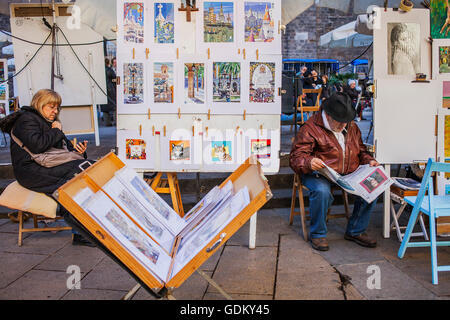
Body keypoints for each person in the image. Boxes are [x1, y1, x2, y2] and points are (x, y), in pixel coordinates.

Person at [0, 89, 95, 246]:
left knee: (88, 169)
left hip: (46, 165)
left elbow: (63, 151)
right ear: (40, 104)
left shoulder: (47, 121)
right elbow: (38, 145)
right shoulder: (26, 120)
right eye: (51, 107)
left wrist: (78, 152)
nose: (55, 111)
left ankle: (83, 231)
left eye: (57, 108)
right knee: (79, 177)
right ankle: (81, 232)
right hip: (31, 170)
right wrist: (56, 130)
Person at [289, 92, 380, 252]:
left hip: (348, 172)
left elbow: (361, 151)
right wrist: (309, 162)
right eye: (340, 122)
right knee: (322, 191)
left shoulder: (351, 126)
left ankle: (355, 230)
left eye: (346, 122)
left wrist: (369, 161)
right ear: (328, 116)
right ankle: (318, 234)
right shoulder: (310, 128)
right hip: (319, 174)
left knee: (373, 186)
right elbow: (296, 157)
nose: (344, 126)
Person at [100, 58, 117, 126]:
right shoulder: (110, 70)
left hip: (102, 89)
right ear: (108, 63)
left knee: (104, 107)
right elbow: (115, 79)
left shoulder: (99, 70)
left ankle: (107, 122)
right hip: (110, 90)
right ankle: (116, 121)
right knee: (114, 106)